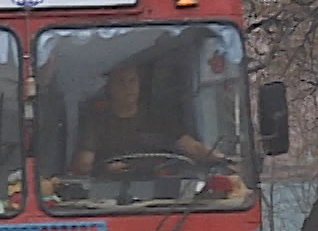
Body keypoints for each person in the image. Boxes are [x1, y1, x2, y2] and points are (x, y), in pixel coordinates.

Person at [66, 64, 211, 175]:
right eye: (120, 81)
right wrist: (104, 169)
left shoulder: (157, 117)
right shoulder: (96, 121)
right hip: (107, 194)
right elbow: (84, 163)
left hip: (158, 193)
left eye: (132, 80)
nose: (127, 87)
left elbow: (192, 147)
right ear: (109, 87)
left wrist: (224, 159)